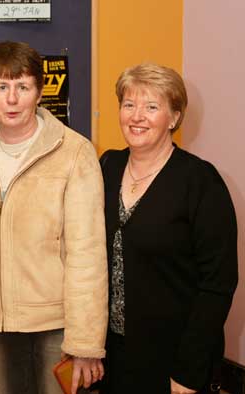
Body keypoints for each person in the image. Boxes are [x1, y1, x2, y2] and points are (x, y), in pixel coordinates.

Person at [0, 41, 108, 394]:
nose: (12, 99)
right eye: (2, 87)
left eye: (23, 87)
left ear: (39, 92)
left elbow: (88, 255)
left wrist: (86, 343)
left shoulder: (74, 153)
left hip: (55, 325)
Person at [99, 63, 238, 394]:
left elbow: (217, 285)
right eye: (129, 104)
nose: (137, 116)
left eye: (151, 107)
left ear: (174, 118)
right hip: (112, 354)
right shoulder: (107, 166)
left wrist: (189, 370)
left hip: (174, 357)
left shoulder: (201, 182)